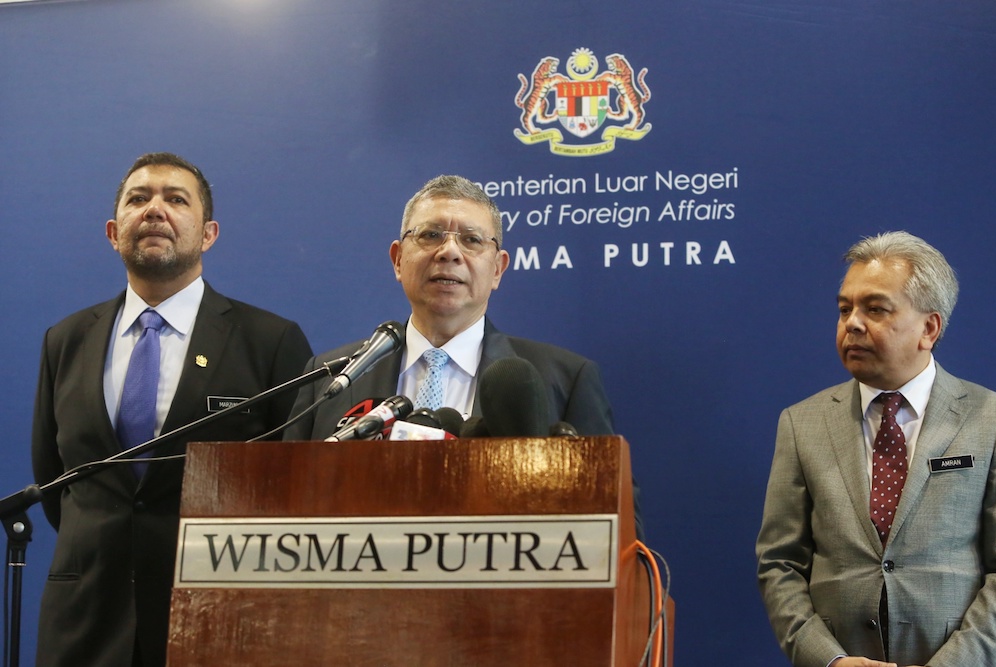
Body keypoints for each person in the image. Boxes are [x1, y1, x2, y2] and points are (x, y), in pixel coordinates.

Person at [31, 152, 313, 667]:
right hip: (85, 623)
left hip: (218, 618)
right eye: (139, 199)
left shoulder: (270, 342)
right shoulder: (66, 340)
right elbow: (55, 482)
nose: (154, 210)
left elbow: (294, 492)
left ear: (208, 234)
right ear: (114, 232)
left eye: (175, 199)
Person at [756, 231, 996, 667]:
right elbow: (780, 563)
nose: (852, 323)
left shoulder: (991, 419)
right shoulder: (802, 423)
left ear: (929, 328)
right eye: (845, 308)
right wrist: (828, 660)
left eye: (875, 309)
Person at [283, 174, 615, 440]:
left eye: (471, 240)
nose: (449, 252)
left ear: (497, 269)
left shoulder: (566, 380)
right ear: (398, 260)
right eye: (430, 235)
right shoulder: (327, 380)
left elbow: (610, 516)